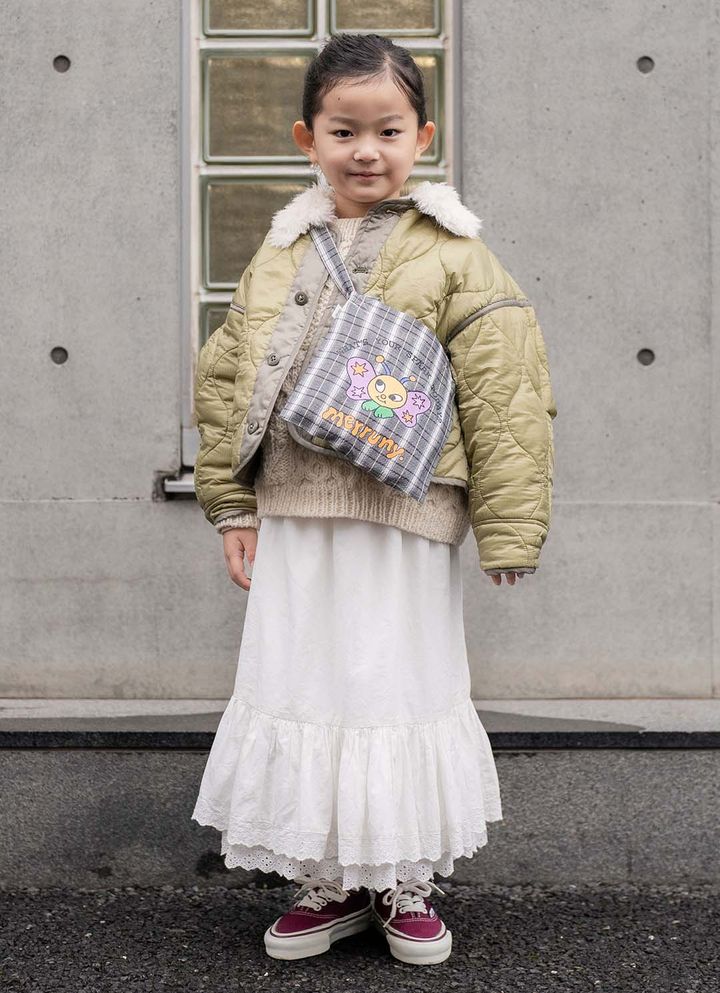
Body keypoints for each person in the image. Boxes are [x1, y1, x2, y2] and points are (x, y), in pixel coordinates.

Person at [190, 32, 557, 967]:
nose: (366, 150)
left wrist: (509, 525)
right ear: (306, 137)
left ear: (421, 136)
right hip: (296, 516)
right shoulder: (281, 251)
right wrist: (232, 505)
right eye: (343, 130)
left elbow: (505, 388)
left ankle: (402, 878)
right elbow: (229, 377)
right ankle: (331, 878)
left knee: (396, 684)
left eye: (388, 130)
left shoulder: (457, 252)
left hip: (405, 520)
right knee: (305, 683)